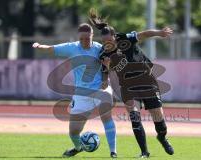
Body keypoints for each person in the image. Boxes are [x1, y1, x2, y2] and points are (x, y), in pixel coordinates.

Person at [89, 9, 174, 158]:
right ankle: (144, 152)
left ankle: (162, 137)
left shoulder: (126, 39)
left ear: (115, 37)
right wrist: (104, 79)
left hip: (146, 80)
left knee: (158, 117)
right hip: (128, 86)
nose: (106, 44)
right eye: (104, 42)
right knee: (134, 116)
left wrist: (159, 33)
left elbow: (145, 34)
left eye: (109, 41)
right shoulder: (103, 54)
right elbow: (105, 72)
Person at [32, 23, 117, 158]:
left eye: (87, 38)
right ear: (78, 37)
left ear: (92, 36)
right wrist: (39, 46)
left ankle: (113, 152)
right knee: (73, 132)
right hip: (81, 93)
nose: (84, 41)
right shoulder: (72, 48)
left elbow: (110, 65)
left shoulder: (100, 49)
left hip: (100, 88)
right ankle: (78, 148)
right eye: (82, 38)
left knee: (106, 115)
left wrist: (107, 74)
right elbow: (51, 48)